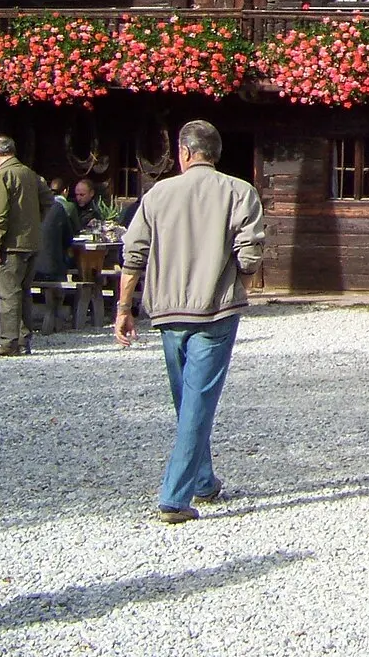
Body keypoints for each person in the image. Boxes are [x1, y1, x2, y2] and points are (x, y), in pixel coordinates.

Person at [115, 119, 266, 525]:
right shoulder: (240, 192)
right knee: (197, 400)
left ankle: (202, 480)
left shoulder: (157, 194)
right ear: (216, 153)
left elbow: (133, 255)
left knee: (187, 399)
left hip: (166, 311)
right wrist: (242, 284)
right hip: (215, 309)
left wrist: (124, 308)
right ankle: (174, 497)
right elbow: (250, 254)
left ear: (183, 153)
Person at [0, 136, 51, 358]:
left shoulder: (1, 176)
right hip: (31, 242)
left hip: (11, 245)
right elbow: (49, 201)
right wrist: (32, 222)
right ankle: (22, 341)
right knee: (23, 294)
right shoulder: (30, 174)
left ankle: (7, 342)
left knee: (8, 295)